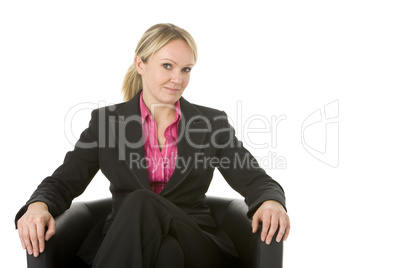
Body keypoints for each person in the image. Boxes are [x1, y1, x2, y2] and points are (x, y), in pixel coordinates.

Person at [15, 23, 290, 267]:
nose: (178, 79)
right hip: (130, 242)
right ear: (140, 64)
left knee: (142, 201)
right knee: (165, 254)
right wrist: (38, 206)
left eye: (186, 69)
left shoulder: (210, 123)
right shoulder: (107, 123)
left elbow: (254, 178)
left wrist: (271, 201)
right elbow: (64, 181)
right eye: (167, 66)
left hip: (196, 239)